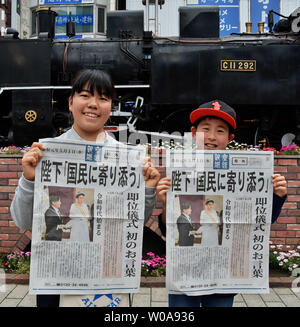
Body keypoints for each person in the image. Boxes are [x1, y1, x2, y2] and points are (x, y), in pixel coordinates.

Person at [10, 69, 160, 307]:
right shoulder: (46, 154)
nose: (93, 104)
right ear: (70, 103)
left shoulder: (126, 158)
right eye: (85, 95)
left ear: (110, 107)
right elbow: (22, 221)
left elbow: (133, 223)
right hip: (56, 278)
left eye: (103, 98)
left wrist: (148, 190)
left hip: (106, 275)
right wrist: (28, 180)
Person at [156, 99, 287, 307]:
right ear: (193, 132)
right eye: (205, 129)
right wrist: (165, 203)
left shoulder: (243, 174)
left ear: (230, 137)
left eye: (220, 131)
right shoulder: (180, 170)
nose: (211, 136)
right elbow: (167, 229)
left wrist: (277, 196)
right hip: (185, 272)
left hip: (223, 274)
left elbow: (261, 222)